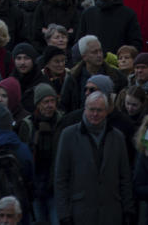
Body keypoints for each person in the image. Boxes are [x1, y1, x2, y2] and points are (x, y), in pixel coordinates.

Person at [54, 91, 134, 225]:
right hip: (80, 213)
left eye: (99, 110)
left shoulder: (117, 137)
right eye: (91, 110)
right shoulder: (68, 135)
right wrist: (64, 214)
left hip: (111, 213)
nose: (95, 114)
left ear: (107, 111)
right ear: (85, 109)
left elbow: (124, 176)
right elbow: (61, 178)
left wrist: (128, 210)